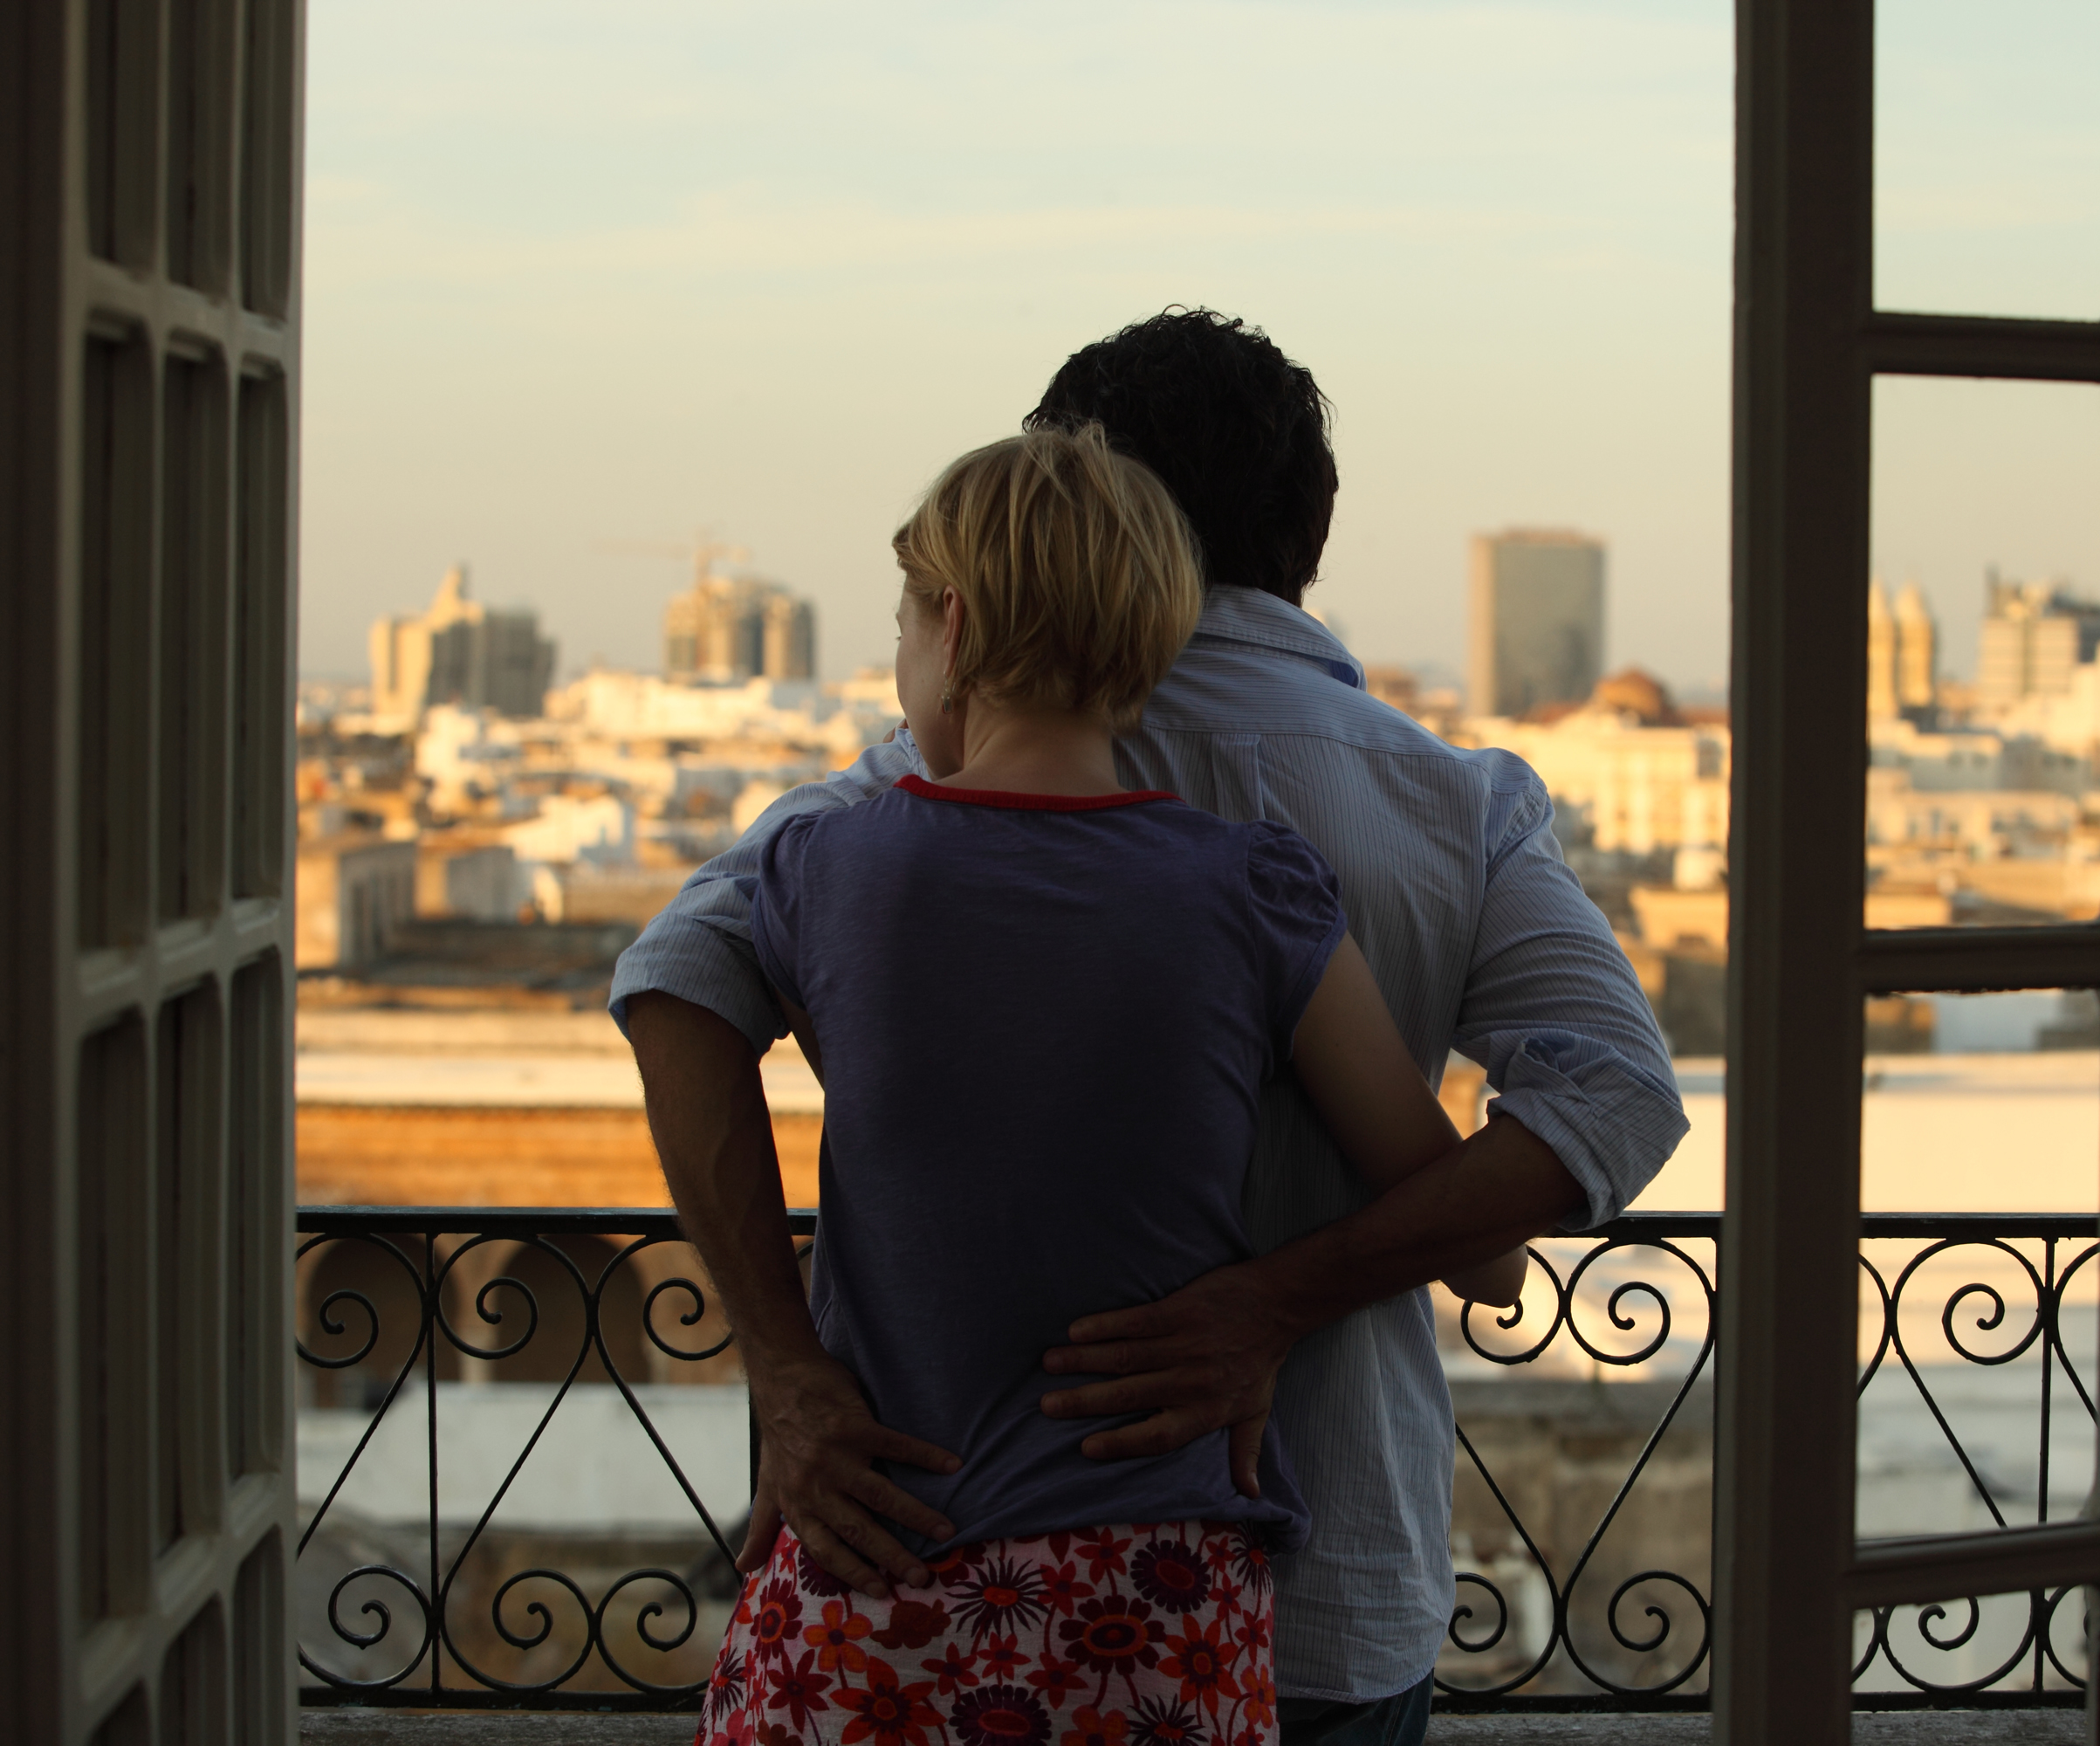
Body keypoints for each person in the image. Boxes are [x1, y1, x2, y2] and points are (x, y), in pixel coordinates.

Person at [618, 309, 1689, 1746]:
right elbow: (1614, 1099)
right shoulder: (1446, 802)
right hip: (1277, 1581)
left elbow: (677, 986)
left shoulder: (875, 816)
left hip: (909, 1558)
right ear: (1310, 536)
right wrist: (1279, 1300)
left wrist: (786, 1367)